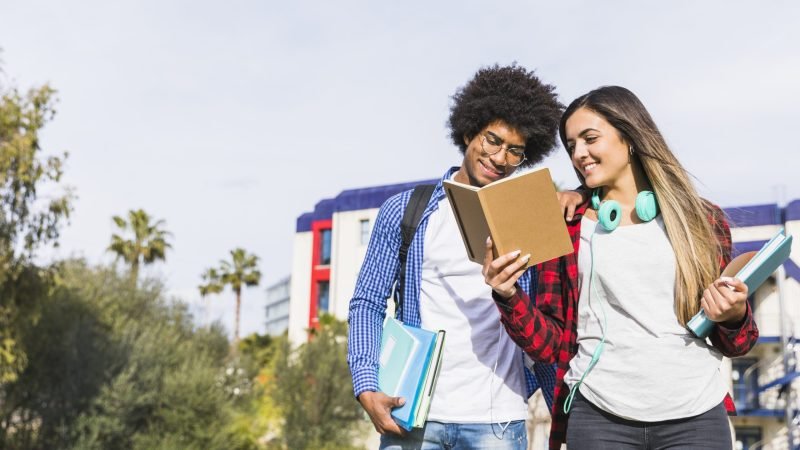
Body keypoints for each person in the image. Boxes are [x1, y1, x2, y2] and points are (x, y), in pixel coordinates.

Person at [483, 85, 760, 450]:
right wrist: (508, 294)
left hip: (695, 417)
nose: (578, 153)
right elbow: (548, 345)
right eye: (571, 145)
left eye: (589, 138)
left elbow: (736, 343)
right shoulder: (565, 224)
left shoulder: (701, 220)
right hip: (598, 417)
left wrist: (734, 314)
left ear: (629, 137)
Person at [347, 64, 585, 450]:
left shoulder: (535, 216)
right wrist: (366, 385)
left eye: (515, 151)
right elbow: (367, 303)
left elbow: (557, 311)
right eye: (492, 140)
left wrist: (579, 197)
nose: (499, 157)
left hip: (499, 420)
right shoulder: (406, 211)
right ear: (468, 131)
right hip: (413, 414)